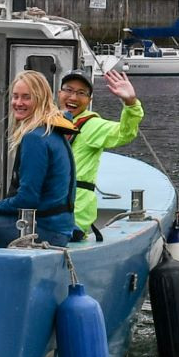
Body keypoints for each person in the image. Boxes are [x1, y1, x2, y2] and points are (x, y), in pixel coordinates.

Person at [0, 70, 75, 248]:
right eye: (15, 97)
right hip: (59, 228)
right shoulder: (52, 132)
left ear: (40, 100)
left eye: (26, 97)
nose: (18, 103)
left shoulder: (35, 138)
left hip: (46, 229)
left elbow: (28, 199)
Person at [54, 68, 141, 241]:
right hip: (48, 209)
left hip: (74, 215)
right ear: (59, 93)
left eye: (81, 93)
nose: (73, 98)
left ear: (89, 100)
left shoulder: (93, 126)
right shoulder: (50, 121)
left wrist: (131, 103)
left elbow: (125, 133)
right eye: (69, 90)